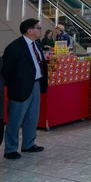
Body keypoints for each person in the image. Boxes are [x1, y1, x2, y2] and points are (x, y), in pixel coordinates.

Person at [2, 19, 48, 160]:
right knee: (16, 119)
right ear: (30, 30)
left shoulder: (36, 45)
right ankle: (10, 149)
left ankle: (28, 144)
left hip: (35, 84)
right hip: (20, 87)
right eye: (38, 27)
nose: (40, 30)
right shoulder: (15, 47)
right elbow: (6, 69)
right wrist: (15, 84)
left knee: (32, 116)